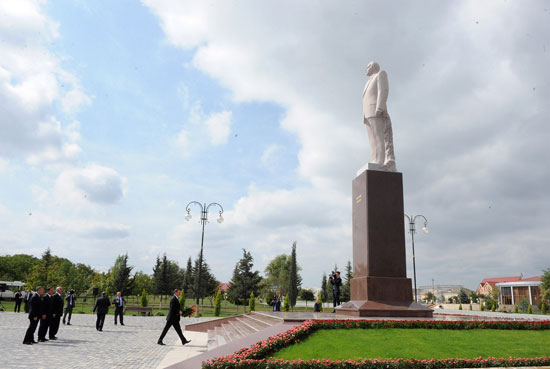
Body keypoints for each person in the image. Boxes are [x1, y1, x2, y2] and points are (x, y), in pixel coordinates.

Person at [362, 61, 396, 172]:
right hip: (367, 113)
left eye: (368, 66)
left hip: (375, 109)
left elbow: (383, 90)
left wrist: (380, 107)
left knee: (378, 136)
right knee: (372, 138)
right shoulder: (367, 82)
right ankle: (374, 159)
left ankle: (380, 160)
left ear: (374, 67)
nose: (366, 69)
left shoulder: (380, 74)